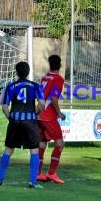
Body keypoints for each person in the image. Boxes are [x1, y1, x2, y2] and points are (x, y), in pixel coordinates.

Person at [0, 62, 43, 188]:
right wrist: (36, 112)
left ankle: (0, 179)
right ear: (28, 72)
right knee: (34, 151)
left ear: (16, 72)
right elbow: (42, 104)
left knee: (8, 150)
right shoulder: (35, 86)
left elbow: (4, 106)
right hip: (30, 121)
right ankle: (33, 182)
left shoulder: (11, 86)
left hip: (15, 121)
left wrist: (10, 118)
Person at [37, 55, 67, 184]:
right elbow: (54, 99)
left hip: (39, 114)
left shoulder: (45, 77)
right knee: (60, 144)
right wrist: (59, 113)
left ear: (49, 64)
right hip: (48, 116)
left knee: (42, 143)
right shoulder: (58, 79)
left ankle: (38, 173)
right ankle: (52, 173)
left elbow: (40, 95)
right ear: (60, 65)